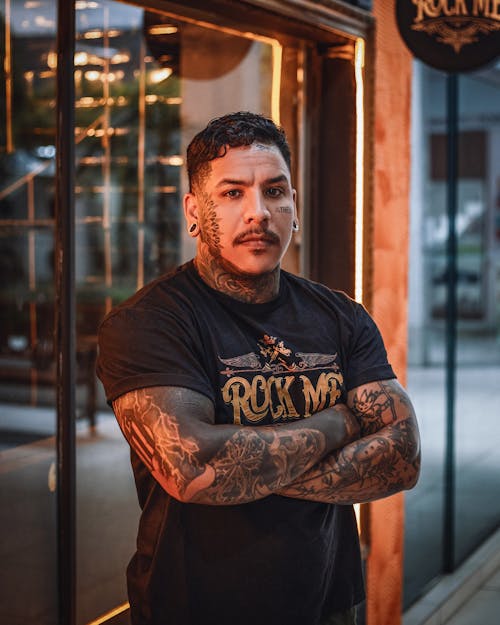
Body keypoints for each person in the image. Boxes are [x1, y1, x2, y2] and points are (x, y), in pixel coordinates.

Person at [96, 111, 420, 625]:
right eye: (232, 193)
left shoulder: (340, 315)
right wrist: (340, 423)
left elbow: (402, 457)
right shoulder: (148, 323)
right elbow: (195, 467)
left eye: (275, 191)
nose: (258, 212)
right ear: (194, 211)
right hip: (193, 608)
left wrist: (246, 465)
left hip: (329, 601)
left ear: (294, 207)